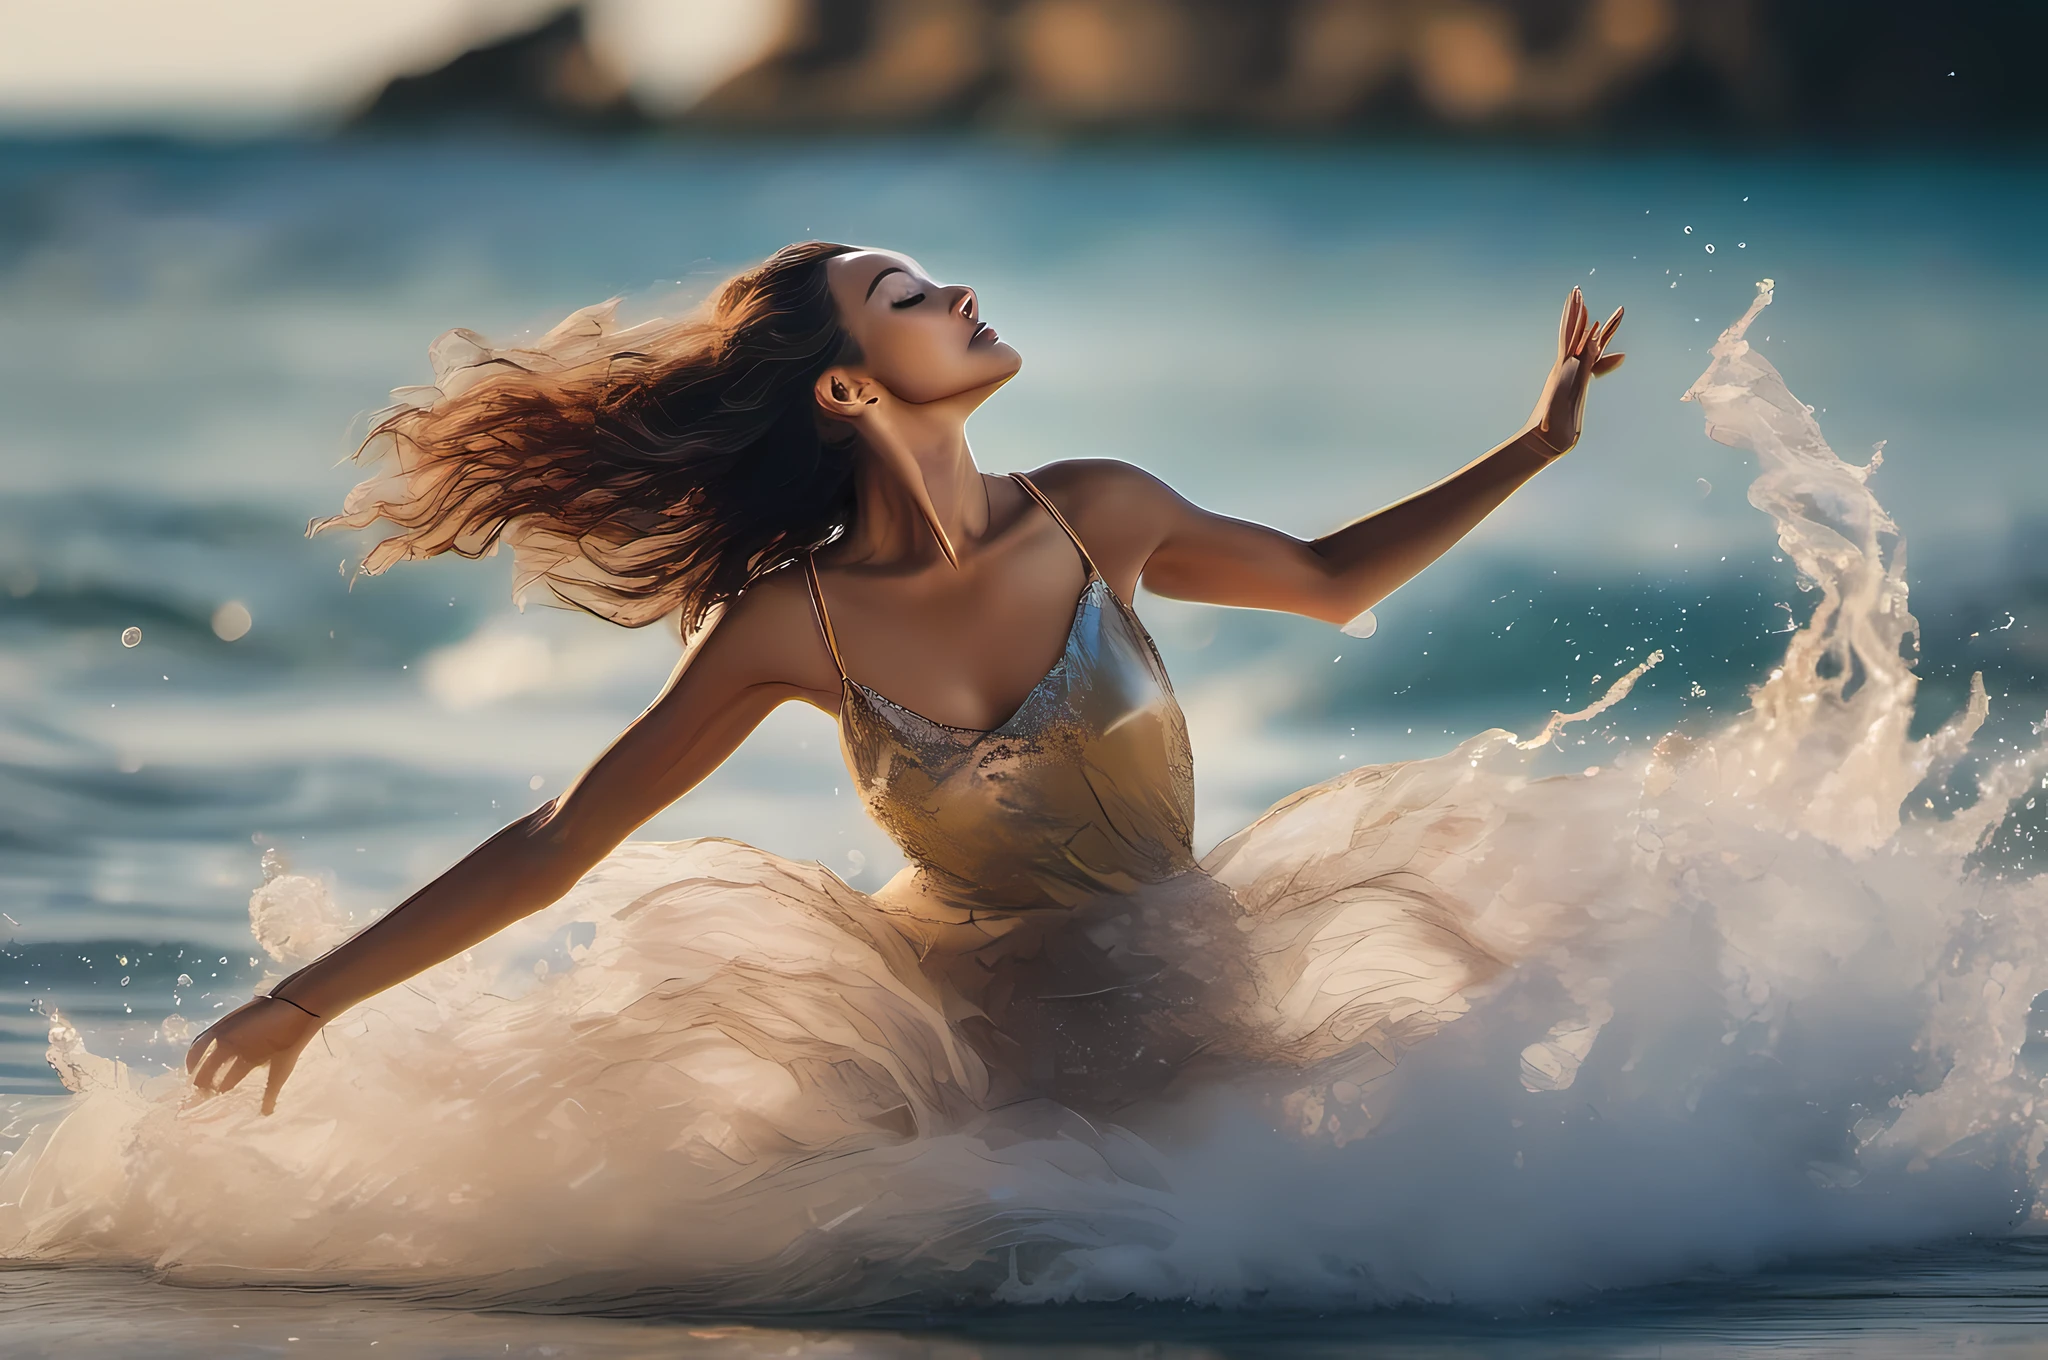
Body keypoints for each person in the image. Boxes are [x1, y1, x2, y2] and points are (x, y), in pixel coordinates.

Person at [185, 241, 1623, 1127]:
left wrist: (1538, 445)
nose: (959, 293)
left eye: (934, 280)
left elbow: (1327, 581)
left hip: (1184, 995)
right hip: (960, 1059)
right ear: (846, 388)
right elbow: (564, 841)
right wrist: (306, 1003)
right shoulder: (789, 625)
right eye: (909, 296)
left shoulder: (1096, 512)